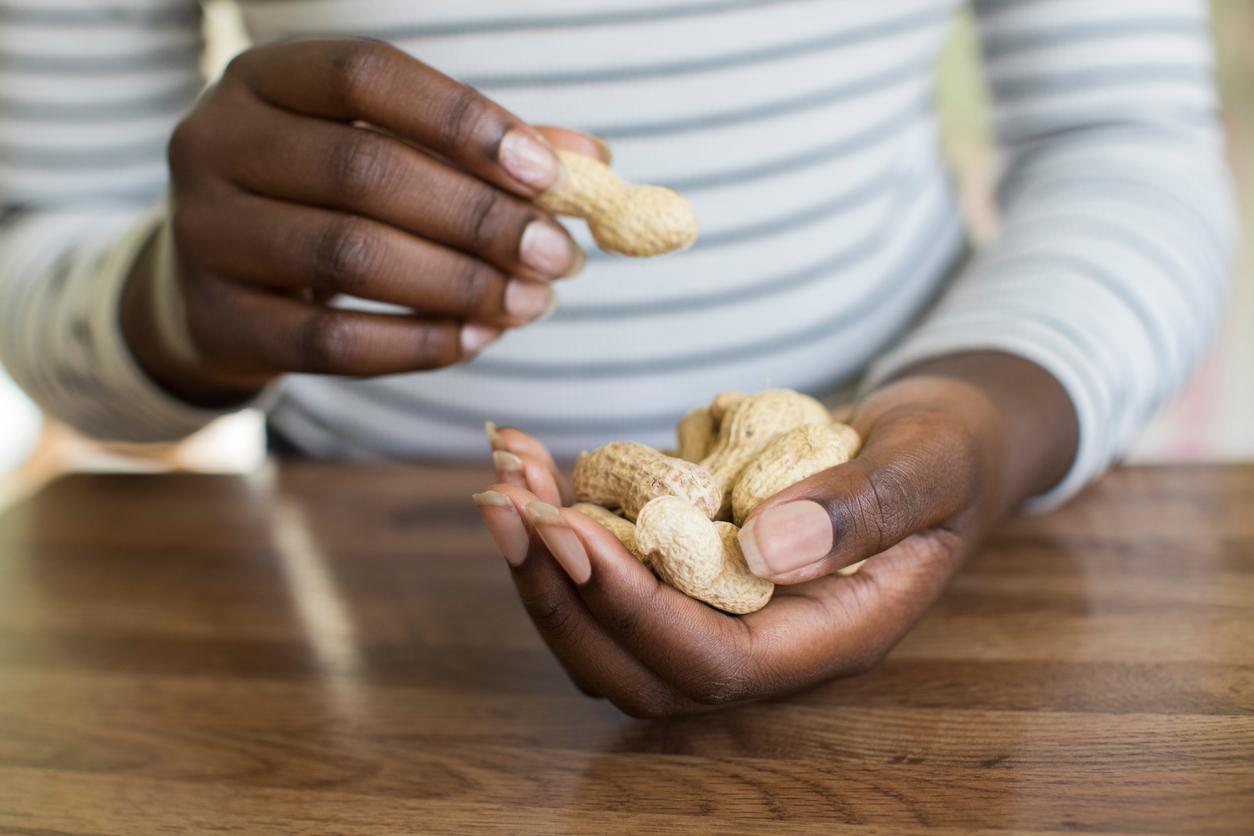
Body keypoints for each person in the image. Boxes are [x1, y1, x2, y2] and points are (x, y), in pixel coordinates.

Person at [0, 1, 1235, 714]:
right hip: (352, 620)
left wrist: (991, 409)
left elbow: (1122, 135)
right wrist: (168, 297)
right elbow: (44, 242)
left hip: (944, 547)